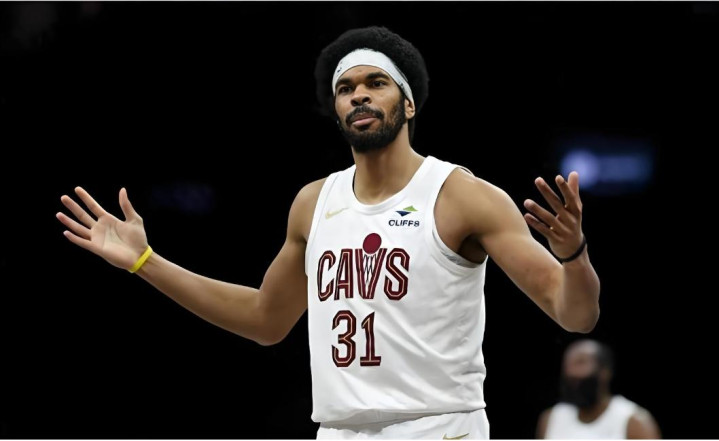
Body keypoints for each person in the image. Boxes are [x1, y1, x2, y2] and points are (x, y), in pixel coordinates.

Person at [56, 26, 600, 439]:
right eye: (346, 88)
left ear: (408, 103)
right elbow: (266, 320)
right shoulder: (314, 202)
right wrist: (146, 261)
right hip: (338, 430)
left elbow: (575, 314)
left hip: (437, 427)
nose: (359, 95)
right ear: (337, 110)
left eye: (375, 83)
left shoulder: (462, 195)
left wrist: (573, 254)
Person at [536, 339, 661, 439]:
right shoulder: (550, 418)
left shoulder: (633, 421)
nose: (571, 372)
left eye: (580, 363)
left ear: (604, 372)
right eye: (567, 365)